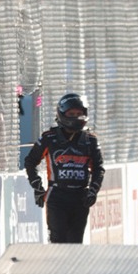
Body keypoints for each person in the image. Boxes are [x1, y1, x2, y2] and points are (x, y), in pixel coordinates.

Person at [24, 92, 104, 244]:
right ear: (62, 114)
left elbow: (99, 168)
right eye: (71, 113)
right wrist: (38, 187)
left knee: (75, 242)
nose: (75, 117)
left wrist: (93, 190)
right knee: (58, 240)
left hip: (81, 197)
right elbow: (30, 162)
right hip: (57, 196)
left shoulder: (90, 140)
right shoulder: (49, 138)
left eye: (79, 114)